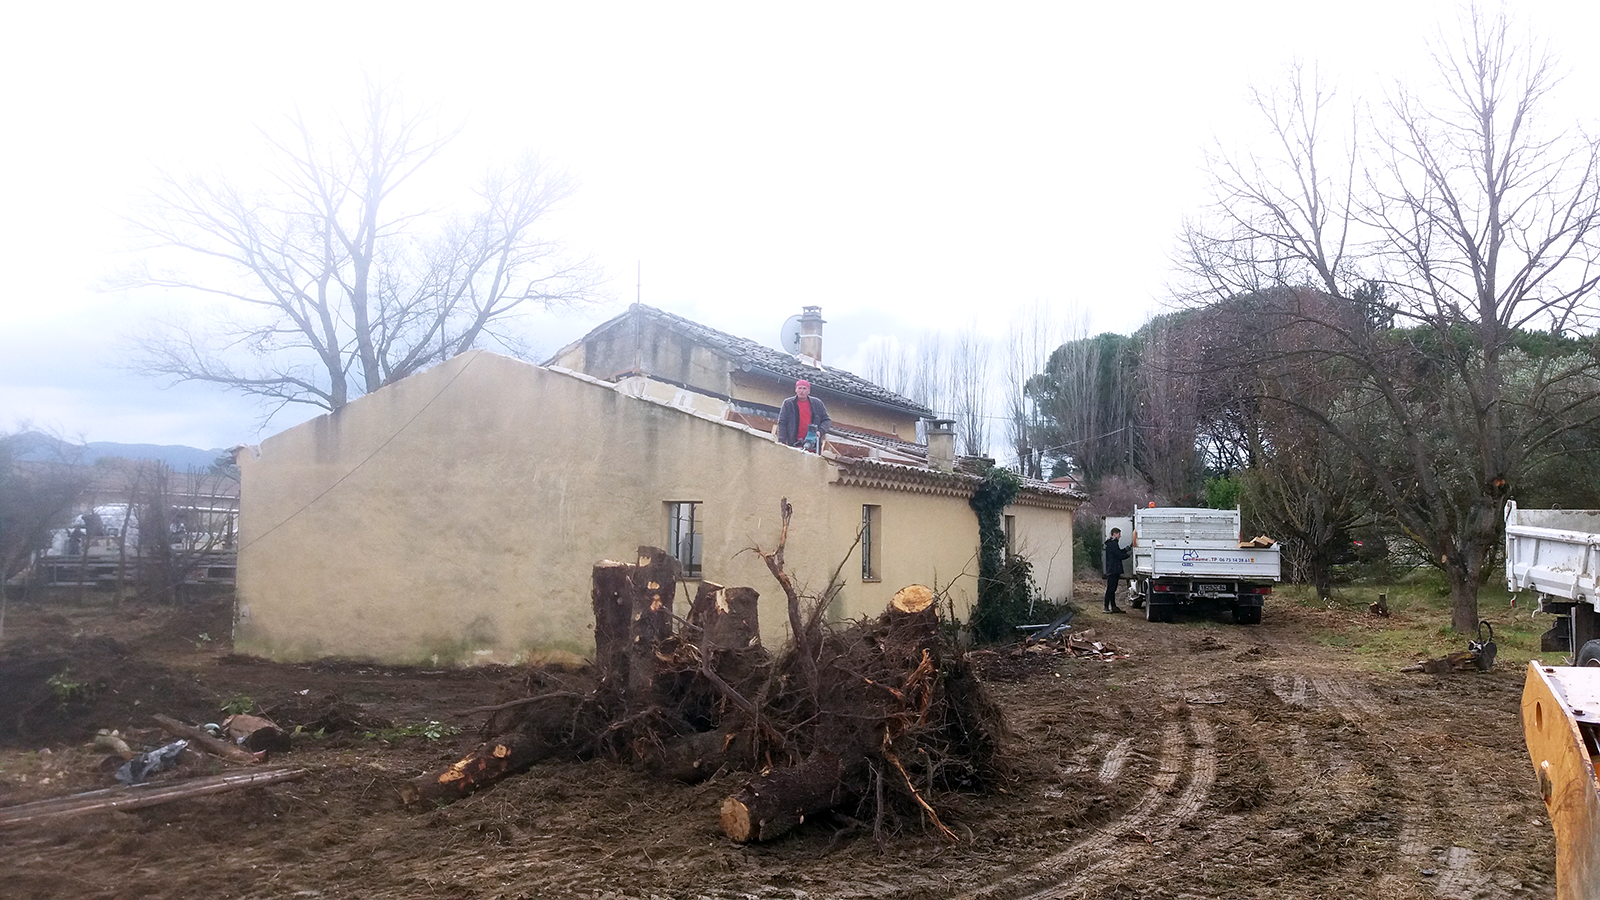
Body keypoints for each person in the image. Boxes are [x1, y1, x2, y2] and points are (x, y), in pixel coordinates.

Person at [777, 378, 831, 451]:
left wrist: (820, 431)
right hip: (793, 444)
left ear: (809, 391)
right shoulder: (788, 403)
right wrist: (782, 441)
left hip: (813, 445)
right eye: (799, 388)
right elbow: (782, 423)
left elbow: (826, 420)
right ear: (796, 389)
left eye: (804, 388)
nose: (801, 391)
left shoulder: (817, 404)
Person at [1103, 527, 1134, 613]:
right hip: (1113, 569)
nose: (1120, 536)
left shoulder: (1112, 544)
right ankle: (1106, 607)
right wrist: (1128, 554)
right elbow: (1118, 555)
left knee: (1112, 589)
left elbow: (1119, 552)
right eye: (1119, 534)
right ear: (1115, 534)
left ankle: (1113, 606)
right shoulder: (1112, 544)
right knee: (1111, 589)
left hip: (1113, 569)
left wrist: (1127, 549)